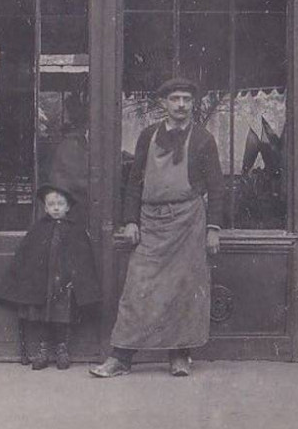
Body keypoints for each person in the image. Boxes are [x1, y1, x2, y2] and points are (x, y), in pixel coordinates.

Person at [89, 76, 222, 379]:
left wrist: (214, 228)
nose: (181, 105)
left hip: (189, 221)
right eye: (174, 99)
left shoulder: (203, 139)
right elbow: (134, 181)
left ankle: (179, 356)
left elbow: (216, 186)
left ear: (193, 103)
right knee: (139, 288)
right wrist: (131, 220)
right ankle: (120, 357)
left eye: (186, 100)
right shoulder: (148, 136)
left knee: (184, 289)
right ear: (163, 103)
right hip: (150, 222)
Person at [0, 181, 100, 371]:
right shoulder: (39, 229)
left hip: (65, 286)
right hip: (43, 284)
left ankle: (62, 349)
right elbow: (27, 256)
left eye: (60, 204)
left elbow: (82, 259)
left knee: (63, 316)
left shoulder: (75, 229)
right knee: (42, 317)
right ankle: (42, 351)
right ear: (45, 207)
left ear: (68, 207)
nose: (56, 208)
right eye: (51, 204)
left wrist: (77, 282)